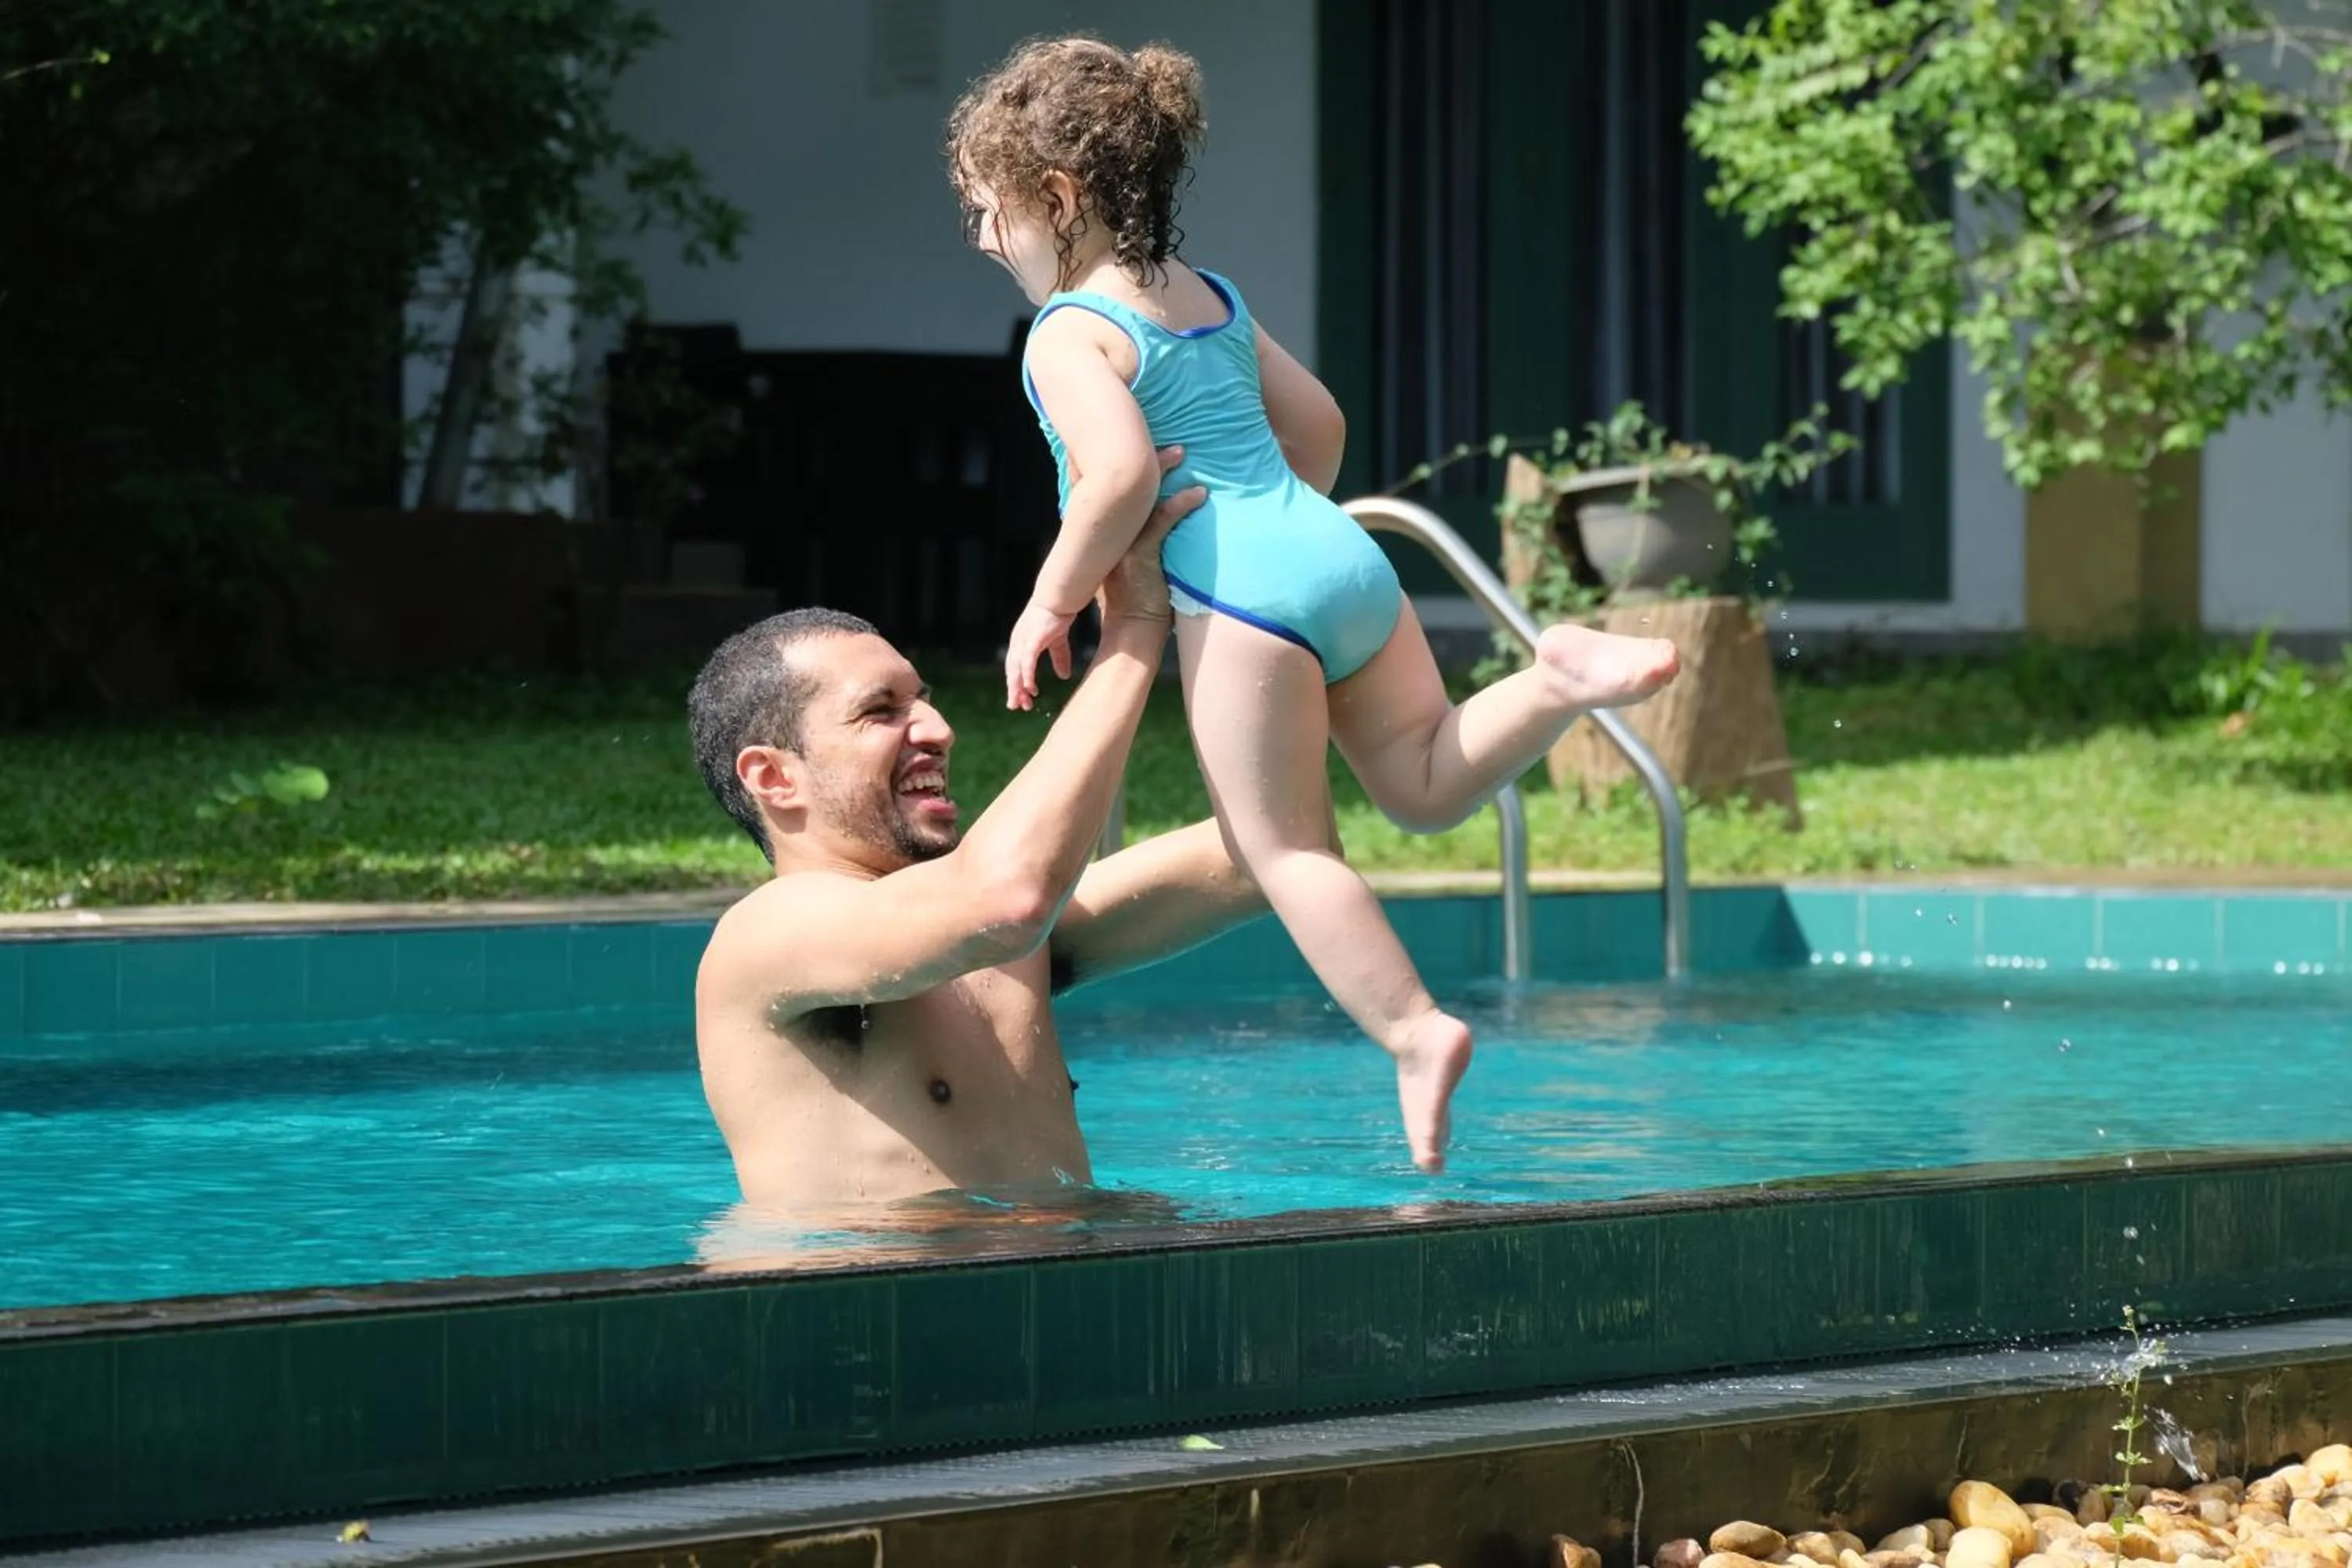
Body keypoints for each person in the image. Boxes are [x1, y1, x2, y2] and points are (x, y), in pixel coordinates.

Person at [947, 36, 1681, 1171]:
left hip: (1245, 597)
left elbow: (1122, 477)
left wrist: (1051, 600)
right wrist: (1289, 526)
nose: (983, 240)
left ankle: (1412, 1028)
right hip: (1336, 557)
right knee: (1428, 781)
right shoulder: (1212, 296)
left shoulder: (1068, 335)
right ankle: (1553, 679)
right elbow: (1325, 427)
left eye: (988, 212)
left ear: (1058, 195)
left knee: (1282, 847)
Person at [689, 456, 1267, 1217]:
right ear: (774, 777)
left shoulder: (1006, 947)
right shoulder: (765, 939)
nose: (937, 729)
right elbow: (1008, 896)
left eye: (923, 701)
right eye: (880, 711)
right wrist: (1132, 628)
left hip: (1056, 1306)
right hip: (869, 1327)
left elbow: (1269, 854)